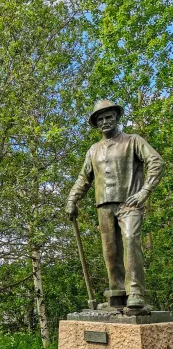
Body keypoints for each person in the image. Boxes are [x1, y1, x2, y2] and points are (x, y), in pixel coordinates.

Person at [66, 100, 164, 309]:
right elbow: (83, 178)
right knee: (110, 252)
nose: (104, 121)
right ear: (96, 124)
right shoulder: (93, 150)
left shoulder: (133, 140)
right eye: (100, 119)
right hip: (104, 206)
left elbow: (156, 162)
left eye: (108, 117)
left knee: (130, 240)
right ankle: (117, 294)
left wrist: (144, 191)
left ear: (117, 118)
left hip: (129, 203)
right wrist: (72, 199)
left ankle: (135, 292)